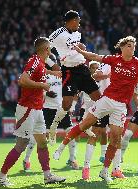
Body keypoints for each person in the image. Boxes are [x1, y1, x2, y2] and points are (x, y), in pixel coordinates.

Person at [53, 36, 138, 182]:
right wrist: (79, 51)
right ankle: (61, 148)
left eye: (133, 46)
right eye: (129, 45)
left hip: (121, 106)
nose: (132, 48)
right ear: (122, 47)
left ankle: (105, 171)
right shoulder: (113, 59)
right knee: (85, 125)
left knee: (116, 139)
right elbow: (94, 56)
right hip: (106, 100)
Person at [0, 37, 66, 186]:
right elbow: (22, 80)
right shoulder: (34, 61)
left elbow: (41, 71)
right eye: (50, 48)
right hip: (28, 109)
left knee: (42, 143)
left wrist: (53, 73)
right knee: (22, 144)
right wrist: (42, 85)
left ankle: (47, 176)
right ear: (46, 49)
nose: (51, 50)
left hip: (37, 109)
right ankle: (1, 176)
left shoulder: (39, 62)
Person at [48, 10, 101, 144]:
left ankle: (84, 124)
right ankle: (53, 127)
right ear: (71, 21)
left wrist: (80, 47)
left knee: (98, 99)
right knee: (66, 105)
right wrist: (52, 64)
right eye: (78, 20)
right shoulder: (58, 33)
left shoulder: (77, 33)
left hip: (82, 69)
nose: (79, 23)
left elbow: (74, 47)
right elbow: (44, 48)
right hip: (69, 72)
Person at [22, 54, 80, 171]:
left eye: (54, 61)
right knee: (38, 137)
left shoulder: (62, 74)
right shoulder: (42, 74)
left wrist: (72, 107)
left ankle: (72, 159)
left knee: (71, 134)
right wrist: (45, 93)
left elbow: (74, 92)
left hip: (61, 109)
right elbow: (33, 89)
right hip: (47, 110)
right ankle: (26, 159)